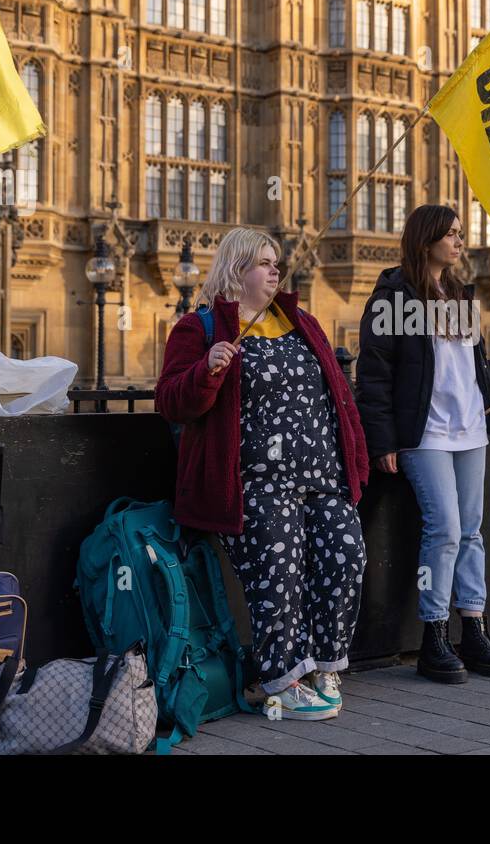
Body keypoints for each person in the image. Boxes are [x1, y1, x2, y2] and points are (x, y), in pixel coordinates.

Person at [155, 228, 370, 720]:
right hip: (255, 482)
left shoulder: (302, 323)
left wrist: (353, 461)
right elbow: (170, 401)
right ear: (236, 269)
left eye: (277, 262)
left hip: (323, 476)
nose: (276, 270)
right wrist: (207, 369)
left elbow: (338, 396)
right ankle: (283, 679)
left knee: (347, 559)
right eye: (263, 262)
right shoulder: (203, 327)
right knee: (279, 577)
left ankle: (322, 665)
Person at [355, 205, 490, 684]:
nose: (461, 243)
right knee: (443, 529)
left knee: (472, 532)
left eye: (461, 235)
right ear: (426, 241)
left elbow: (472, 369)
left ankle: (475, 628)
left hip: (470, 428)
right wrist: (383, 442)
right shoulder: (392, 296)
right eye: (453, 235)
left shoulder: (460, 295)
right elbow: (374, 377)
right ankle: (433, 637)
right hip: (426, 434)